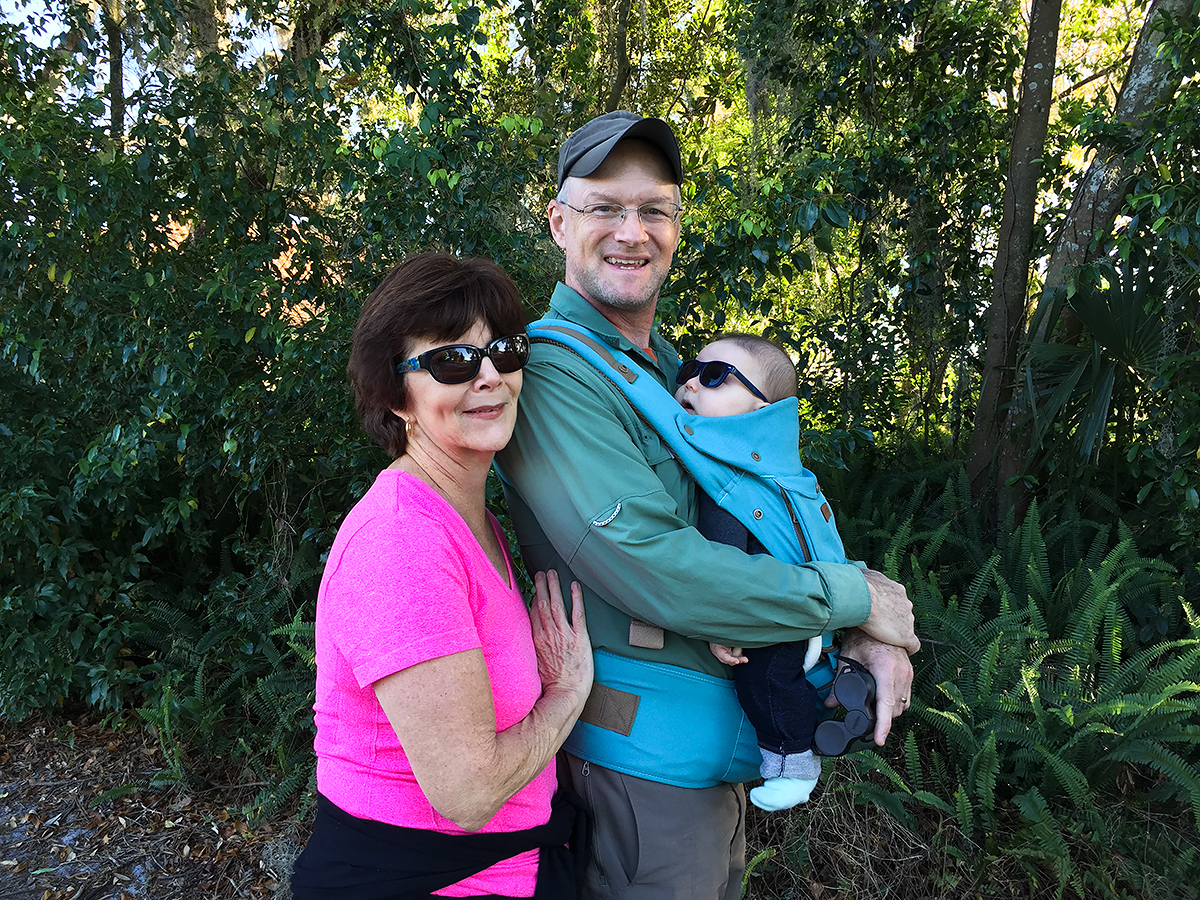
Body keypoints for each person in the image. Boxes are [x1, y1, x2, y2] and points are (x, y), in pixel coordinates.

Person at [496, 111, 920, 900]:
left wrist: (863, 622)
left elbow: (762, 516)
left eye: (654, 209)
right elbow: (656, 565)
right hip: (644, 765)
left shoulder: (668, 371)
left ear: (678, 227)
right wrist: (855, 598)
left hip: (715, 755)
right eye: (604, 208)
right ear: (559, 222)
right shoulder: (558, 375)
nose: (632, 230)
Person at [290, 252, 594, 900]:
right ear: (397, 396)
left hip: (511, 868)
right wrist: (566, 696)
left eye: (505, 351)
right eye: (453, 361)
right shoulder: (403, 543)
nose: (489, 377)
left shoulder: (468, 515)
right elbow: (469, 792)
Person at [679, 332, 833, 813]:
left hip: (773, 606)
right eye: (687, 372)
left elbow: (722, 555)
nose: (689, 385)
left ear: (760, 409)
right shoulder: (776, 466)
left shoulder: (732, 469)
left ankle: (794, 764)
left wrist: (721, 622)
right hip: (785, 598)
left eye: (714, 377)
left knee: (767, 681)